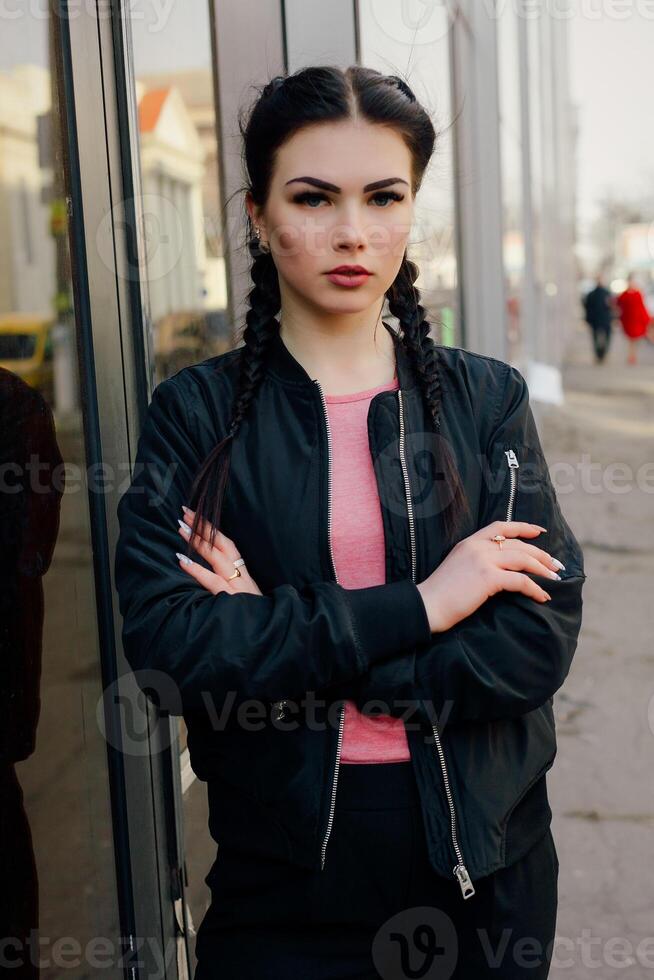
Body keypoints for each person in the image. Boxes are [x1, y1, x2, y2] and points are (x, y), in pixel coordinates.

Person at [114, 66, 585, 979]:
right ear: (257, 215)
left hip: (482, 868)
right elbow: (174, 656)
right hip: (286, 876)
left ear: (412, 210)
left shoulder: (485, 402)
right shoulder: (197, 415)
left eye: (383, 196)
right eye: (313, 197)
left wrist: (286, 642)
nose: (353, 232)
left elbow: (533, 643)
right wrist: (428, 603)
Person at [616, 272, 652, 365]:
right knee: (631, 339)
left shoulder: (638, 294)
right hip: (629, 320)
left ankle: (632, 355)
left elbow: (641, 307)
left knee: (636, 339)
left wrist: (647, 318)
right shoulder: (625, 294)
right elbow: (619, 303)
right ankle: (631, 355)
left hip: (637, 320)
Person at [582, 273, 614, 363]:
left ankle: (603, 354)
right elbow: (587, 307)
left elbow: (612, 306)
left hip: (605, 319)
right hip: (596, 320)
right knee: (595, 338)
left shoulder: (607, 293)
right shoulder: (592, 294)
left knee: (606, 337)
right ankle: (598, 354)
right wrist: (588, 319)